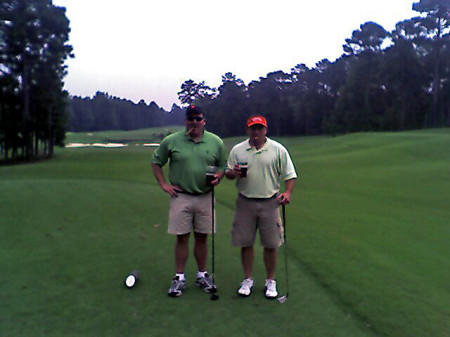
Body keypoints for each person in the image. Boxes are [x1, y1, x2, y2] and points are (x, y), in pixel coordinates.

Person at [151, 105, 227, 297]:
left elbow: (222, 166)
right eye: (191, 118)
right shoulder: (172, 141)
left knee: (202, 237)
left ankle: (202, 275)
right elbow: (156, 162)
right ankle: (179, 277)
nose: (194, 122)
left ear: (204, 121)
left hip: (205, 196)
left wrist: (218, 177)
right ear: (185, 121)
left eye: (198, 119)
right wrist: (164, 185)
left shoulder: (215, 141)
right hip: (181, 196)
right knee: (182, 237)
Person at [225, 116, 297, 299]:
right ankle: (248, 279)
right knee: (246, 242)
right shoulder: (238, 150)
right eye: (253, 129)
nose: (256, 133)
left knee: (271, 244)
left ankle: (270, 280)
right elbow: (229, 174)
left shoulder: (278, 150)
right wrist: (233, 173)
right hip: (245, 202)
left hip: (270, 202)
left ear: (265, 130)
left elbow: (290, 175)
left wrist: (287, 193)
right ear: (248, 130)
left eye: (259, 128)